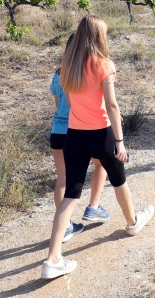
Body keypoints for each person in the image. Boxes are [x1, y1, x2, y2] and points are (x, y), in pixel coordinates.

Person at [42, 16, 154, 280]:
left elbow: (70, 102)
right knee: (119, 180)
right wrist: (120, 141)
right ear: (99, 37)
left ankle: (52, 259)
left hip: (74, 135)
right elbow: (111, 105)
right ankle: (132, 223)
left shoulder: (67, 66)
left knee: (70, 195)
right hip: (101, 133)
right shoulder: (105, 65)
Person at [50, 35, 109, 243]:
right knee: (100, 164)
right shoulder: (84, 73)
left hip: (57, 130)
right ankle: (93, 207)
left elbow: (58, 104)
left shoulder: (59, 74)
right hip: (78, 129)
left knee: (62, 179)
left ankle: (65, 225)